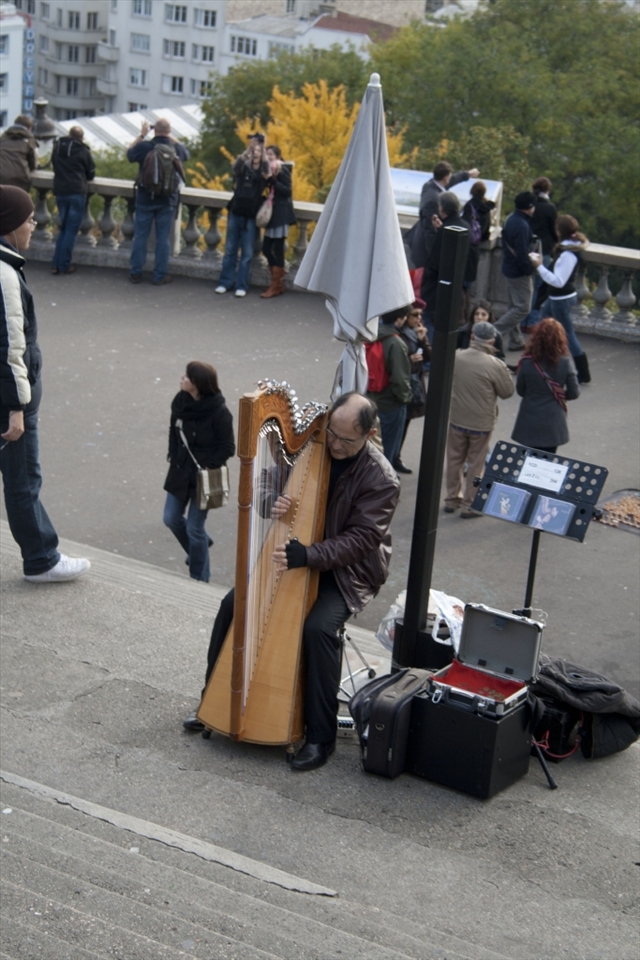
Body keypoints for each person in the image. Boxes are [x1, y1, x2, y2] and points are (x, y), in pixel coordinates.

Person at [183, 392, 401, 772]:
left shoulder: (381, 479)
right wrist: (273, 501)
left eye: (345, 440)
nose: (334, 443)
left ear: (368, 434)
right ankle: (211, 702)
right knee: (232, 604)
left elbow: (362, 541)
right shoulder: (312, 445)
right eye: (332, 432)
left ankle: (320, 736)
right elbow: (267, 481)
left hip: (346, 573)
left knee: (317, 630)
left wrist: (310, 555)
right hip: (297, 554)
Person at [0, 185, 90, 582]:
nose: (34, 225)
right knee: (23, 480)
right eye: (29, 218)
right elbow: (9, 345)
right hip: (11, 402)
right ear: (10, 225)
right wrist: (16, 406)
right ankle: (41, 559)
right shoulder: (4, 274)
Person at [163, 362, 235, 583]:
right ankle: (200, 547)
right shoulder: (180, 403)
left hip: (204, 476)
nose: (182, 378)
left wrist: (207, 465)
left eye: (187, 377)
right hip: (180, 471)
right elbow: (173, 431)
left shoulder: (219, 412)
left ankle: (199, 578)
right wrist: (173, 455)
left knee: (195, 528)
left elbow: (228, 447)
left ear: (198, 384)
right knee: (170, 518)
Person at [444, 320, 514, 517]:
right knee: (476, 464)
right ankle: (470, 504)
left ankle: (451, 499)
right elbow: (507, 391)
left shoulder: (456, 356)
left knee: (454, 459)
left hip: (457, 418)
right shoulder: (495, 365)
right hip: (481, 423)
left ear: (473, 336)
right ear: (492, 341)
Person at [530, 214, 591, 384]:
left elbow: (558, 281)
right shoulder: (571, 249)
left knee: (567, 334)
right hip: (558, 297)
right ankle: (533, 361)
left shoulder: (568, 254)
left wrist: (539, 266)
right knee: (542, 326)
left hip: (561, 298)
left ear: (559, 231)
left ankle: (583, 373)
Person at [127, 118, 189, 286]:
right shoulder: (174, 148)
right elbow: (186, 153)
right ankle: (159, 275)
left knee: (140, 236)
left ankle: (136, 273)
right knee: (163, 239)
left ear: (154, 131)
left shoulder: (145, 147)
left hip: (145, 198)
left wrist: (142, 135)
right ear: (169, 132)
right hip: (167, 200)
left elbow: (129, 154)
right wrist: (171, 137)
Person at [511, 318, 579, 454]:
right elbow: (574, 392)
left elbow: (520, 390)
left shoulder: (526, 362)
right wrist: (559, 394)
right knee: (546, 464)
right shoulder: (565, 363)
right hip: (553, 422)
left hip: (529, 419)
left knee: (526, 462)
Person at [215, 134, 270, 298]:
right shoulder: (243, 167)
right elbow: (235, 167)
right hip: (237, 211)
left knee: (246, 254)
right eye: (254, 151)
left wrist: (264, 149)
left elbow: (268, 173)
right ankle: (225, 282)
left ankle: (241, 285)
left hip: (252, 215)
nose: (255, 153)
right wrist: (248, 150)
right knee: (230, 250)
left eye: (258, 151)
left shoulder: (262, 171)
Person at [420, 191, 473, 342]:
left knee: (428, 319)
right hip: (455, 286)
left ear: (442, 209)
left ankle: (429, 357)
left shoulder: (445, 230)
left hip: (436, 287)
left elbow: (435, 260)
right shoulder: (465, 226)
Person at [365, 306, 412, 469]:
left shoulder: (369, 336)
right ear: (400, 318)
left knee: (372, 446)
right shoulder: (395, 342)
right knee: (388, 449)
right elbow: (400, 379)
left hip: (369, 398)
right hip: (390, 403)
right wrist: (405, 398)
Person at [409, 160, 479, 269]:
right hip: (425, 255)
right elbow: (430, 231)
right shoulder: (433, 201)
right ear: (446, 178)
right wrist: (434, 258)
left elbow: (451, 181)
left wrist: (467, 174)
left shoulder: (429, 185)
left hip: (418, 245)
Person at [50, 126, 95, 276]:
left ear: (69, 135)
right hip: (77, 192)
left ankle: (55, 264)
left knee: (63, 228)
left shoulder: (57, 148)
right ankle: (64, 265)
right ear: (81, 138)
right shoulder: (83, 151)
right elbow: (91, 173)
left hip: (60, 191)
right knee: (71, 230)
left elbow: (54, 167)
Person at [495, 191, 537, 352]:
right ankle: (493, 332)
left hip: (508, 267)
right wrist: (529, 270)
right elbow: (521, 253)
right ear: (530, 207)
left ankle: (516, 340)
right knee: (523, 308)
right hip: (518, 271)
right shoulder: (522, 225)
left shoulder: (510, 219)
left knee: (514, 306)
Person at [395, 301, 431, 474]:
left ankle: (396, 457)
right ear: (406, 317)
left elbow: (430, 357)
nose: (419, 319)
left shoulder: (418, 333)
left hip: (414, 384)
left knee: (405, 423)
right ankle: (392, 458)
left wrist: (423, 340)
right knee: (397, 425)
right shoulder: (399, 335)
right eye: (415, 315)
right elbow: (394, 362)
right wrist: (409, 360)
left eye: (420, 315)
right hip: (403, 384)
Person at [260, 145, 297, 299]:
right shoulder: (268, 170)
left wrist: (271, 180)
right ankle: (278, 282)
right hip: (272, 213)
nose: (268, 157)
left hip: (280, 213)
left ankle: (276, 285)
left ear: (277, 156)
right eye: (266, 154)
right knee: (266, 248)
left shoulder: (282, 169)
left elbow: (287, 190)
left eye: (271, 154)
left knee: (277, 248)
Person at [523, 177, 558, 330]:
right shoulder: (550, 208)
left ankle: (522, 320)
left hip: (527, 249)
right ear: (547, 190)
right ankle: (532, 321)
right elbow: (554, 231)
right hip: (544, 251)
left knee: (526, 287)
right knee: (539, 288)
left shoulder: (529, 206)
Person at [462, 180, 495, 286]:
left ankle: (462, 302)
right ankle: (467, 301)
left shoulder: (469, 205)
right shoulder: (486, 208)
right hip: (476, 246)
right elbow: (486, 231)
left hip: (467, 246)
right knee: (468, 282)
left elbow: (465, 225)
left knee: (461, 279)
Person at [0, 115, 37, 193]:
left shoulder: (3, 137)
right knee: (18, 203)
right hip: (20, 179)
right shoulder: (29, 140)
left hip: (1, 176)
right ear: (29, 128)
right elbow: (33, 164)